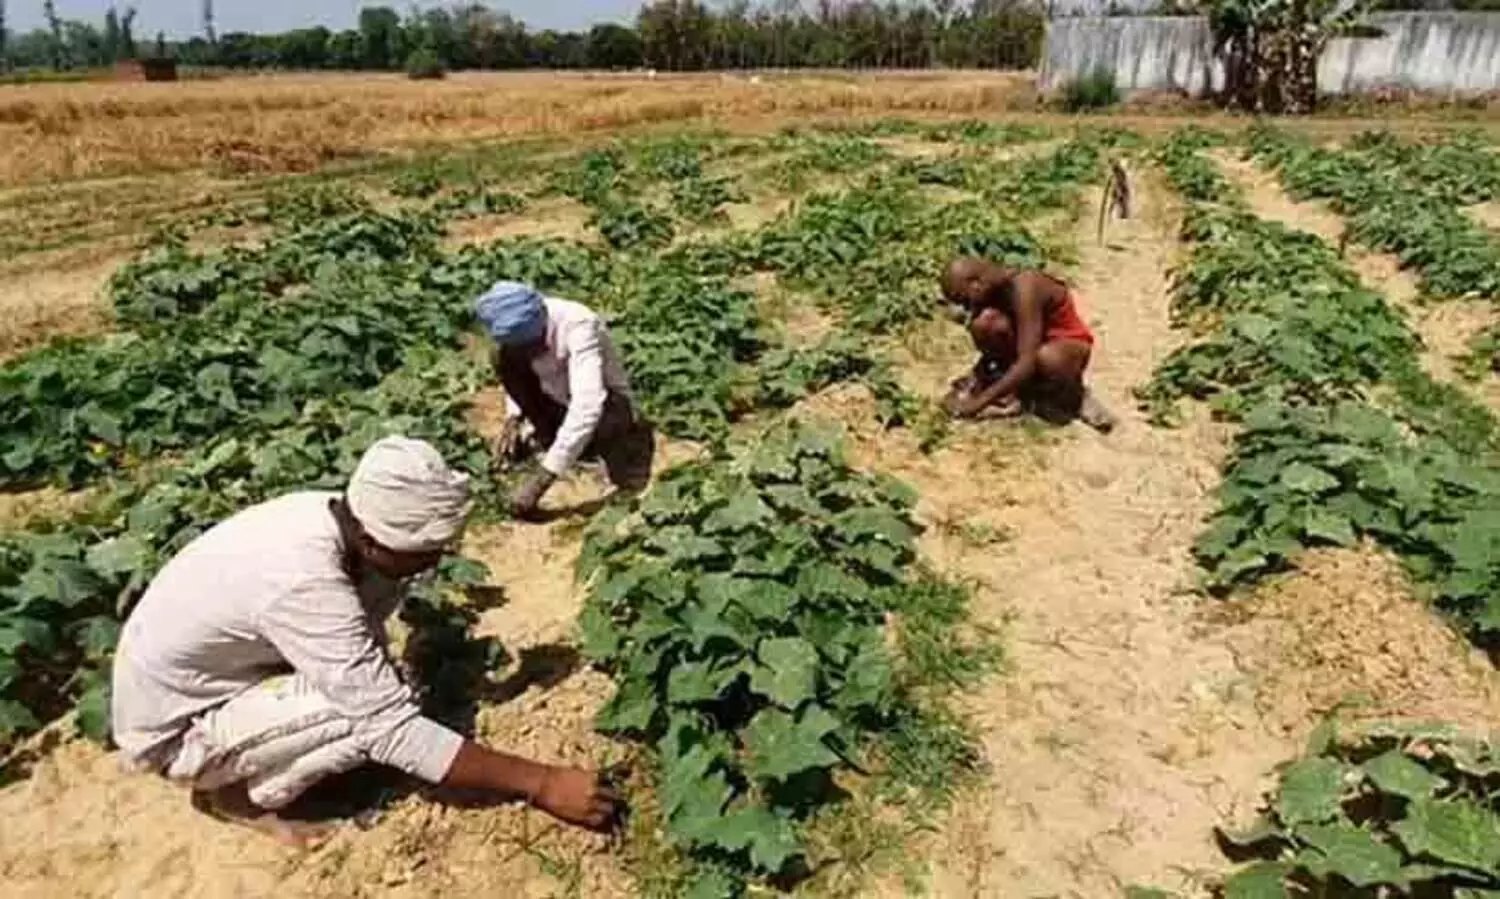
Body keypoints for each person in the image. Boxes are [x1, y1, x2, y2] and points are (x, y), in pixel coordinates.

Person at [110, 436, 621, 847]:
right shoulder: (300, 580)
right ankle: (239, 798)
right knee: (366, 716)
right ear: (374, 541)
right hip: (179, 729)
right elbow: (389, 728)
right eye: (426, 551)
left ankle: (273, 751)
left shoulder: (340, 520)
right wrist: (542, 782)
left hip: (226, 676)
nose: (435, 561)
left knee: (384, 691)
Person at [475, 281, 654, 521]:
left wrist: (543, 477)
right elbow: (520, 371)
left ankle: (616, 458)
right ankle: (554, 441)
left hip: (607, 406)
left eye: (530, 346)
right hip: (556, 400)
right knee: (502, 358)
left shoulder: (579, 325)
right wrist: (514, 415)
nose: (529, 353)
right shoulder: (519, 331)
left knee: (606, 423)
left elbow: (588, 406)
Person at [939, 257, 1116, 433]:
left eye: (965, 300)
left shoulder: (1026, 289)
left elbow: (1026, 361)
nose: (967, 307)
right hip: (1029, 346)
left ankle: (1071, 395)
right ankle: (1020, 391)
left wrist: (977, 405)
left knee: (1048, 358)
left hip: (1064, 346)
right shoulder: (994, 288)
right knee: (984, 323)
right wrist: (977, 376)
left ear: (976, 284)